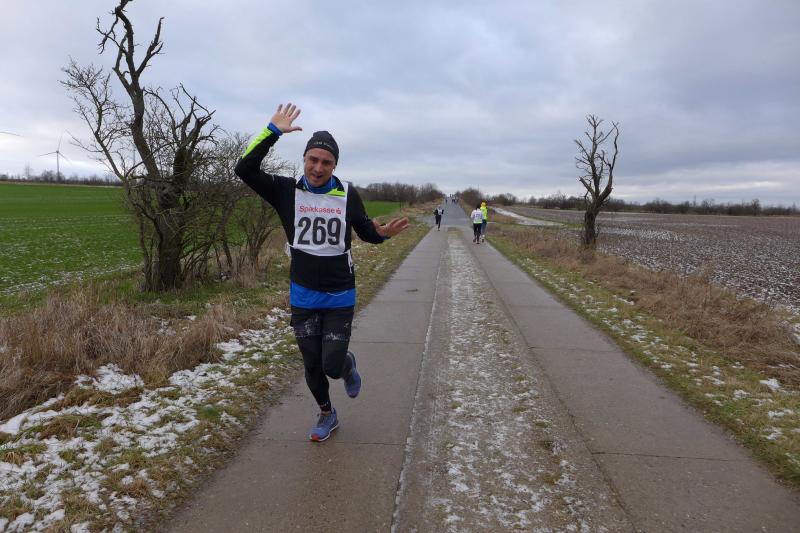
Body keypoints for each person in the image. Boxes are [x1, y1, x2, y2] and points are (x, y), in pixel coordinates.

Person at [235, 103, 409, 442]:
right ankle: (327, 414)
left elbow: (366, 232)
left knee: (331, 365)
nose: (318, 167)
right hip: (303, 293)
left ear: (335, 166)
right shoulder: (286, 191)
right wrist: (272, 132)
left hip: (340, 294)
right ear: (304, 159)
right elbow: (244, 168)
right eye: (313, 159)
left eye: (326, 162)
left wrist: (383, 234)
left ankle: (347, 365)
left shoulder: (347, 195)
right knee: (312, 364)